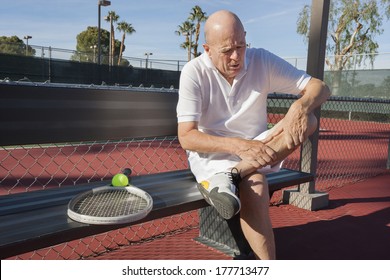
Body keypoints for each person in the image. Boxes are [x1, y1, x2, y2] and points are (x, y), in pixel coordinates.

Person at [176, 10, 331, 260]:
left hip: (259, 149)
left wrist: (299, 107)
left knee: (309, 119)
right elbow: (187, 137)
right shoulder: (193, 72)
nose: (237, 56)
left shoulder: (262, 60)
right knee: (256, 185)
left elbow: (320, 87)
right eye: (227, 51)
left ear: (246, 39)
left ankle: (233, 174)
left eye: (241, 46)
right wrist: (240, 146)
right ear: (207, 49)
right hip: (213, 157)